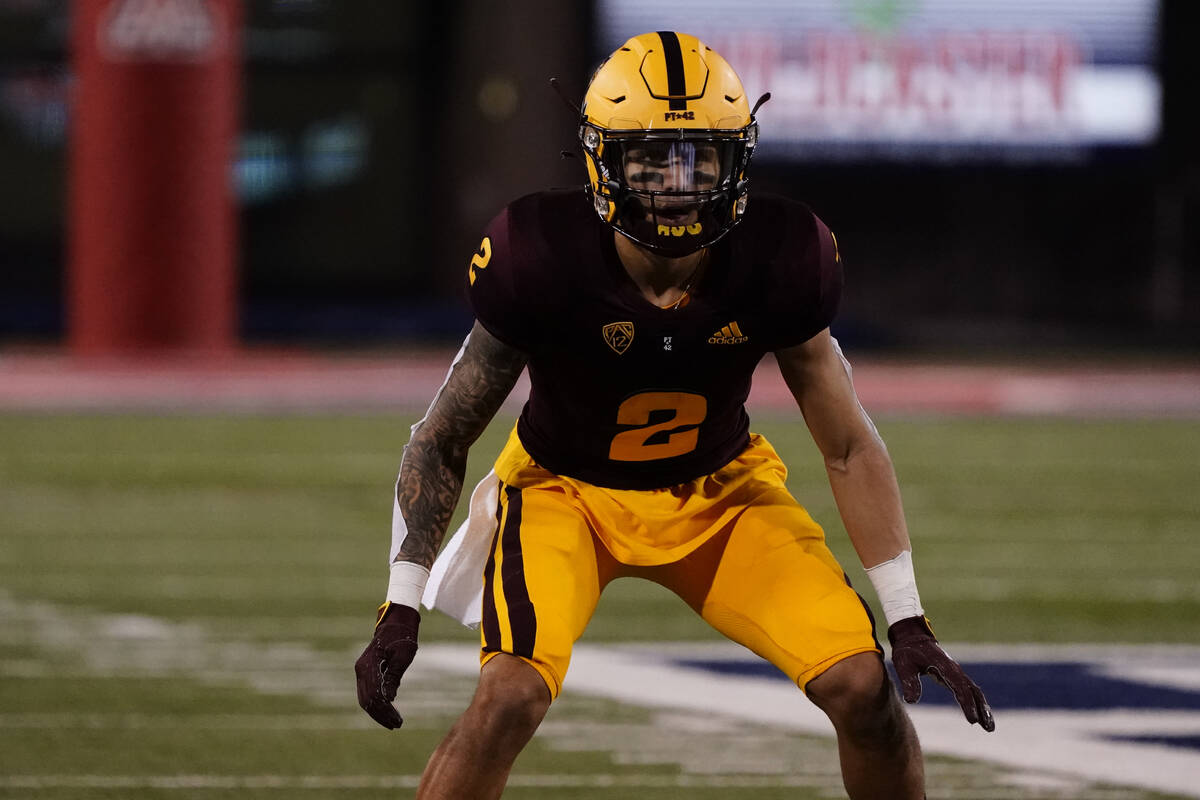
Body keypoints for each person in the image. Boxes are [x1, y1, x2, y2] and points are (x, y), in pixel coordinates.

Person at [355, 31, 994, 800]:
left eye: (700, 157)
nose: (677, 180)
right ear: (602, 163)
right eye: (652, 157)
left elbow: (850, 446)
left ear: (737, 164)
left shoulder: (785, 254)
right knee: (509, 697)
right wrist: (401, 602)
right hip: (565, 493)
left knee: (865, 690)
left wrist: (908, 620)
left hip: (721, 491)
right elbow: (443, 437)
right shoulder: (537, 255)